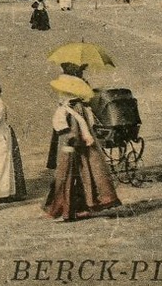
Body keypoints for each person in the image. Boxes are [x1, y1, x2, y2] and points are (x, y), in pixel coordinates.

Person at [43, 89, 120, 222]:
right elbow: (88, 125)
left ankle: (69, 209)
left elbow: (62, 128)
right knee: (84, 173)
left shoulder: (68, 110)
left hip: (70, 144)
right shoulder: (81, 109)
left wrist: (70, 138)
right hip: (77, 142)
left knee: (67, 176)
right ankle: (81, 207)